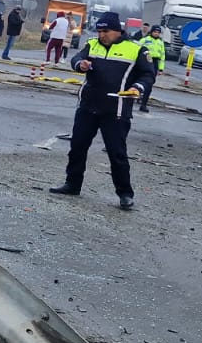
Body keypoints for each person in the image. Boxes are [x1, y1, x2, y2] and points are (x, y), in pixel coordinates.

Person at [48, 12, 154, 210]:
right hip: (88, 106)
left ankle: (125, 193)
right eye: (99, 31)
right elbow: (76, 59)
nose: (101, 35)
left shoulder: (136, 49)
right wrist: (81, 64)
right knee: (78, 147)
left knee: (117, 153)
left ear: (117, 31)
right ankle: (73, 183)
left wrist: (137, 88)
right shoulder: (92, 45)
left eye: (105, 31)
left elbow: (148, 75)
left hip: (116, 110)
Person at [136, 25, 166, 112]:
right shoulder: (145, 40)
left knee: (149, 84)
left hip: (155, 63)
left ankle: (143, 104)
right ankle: (136, 96)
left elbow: (162, 56)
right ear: (151, 32)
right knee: (139, 81)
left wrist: (161, 69)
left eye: (158, 32)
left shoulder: (160, 43)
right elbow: (136, 49)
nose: (156, 34)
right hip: (144, 61)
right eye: (155, 32)